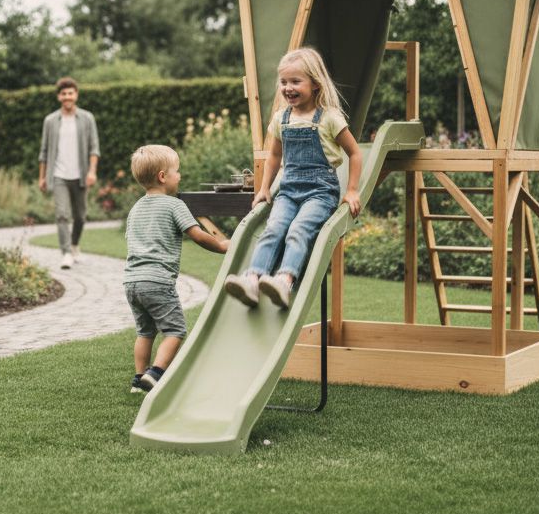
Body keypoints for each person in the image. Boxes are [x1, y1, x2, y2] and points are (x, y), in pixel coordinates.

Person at [225, 47, 362, 310]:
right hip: (288, 191)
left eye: (296, 81)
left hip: (320, 192)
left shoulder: (330, 117)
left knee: (298, 230)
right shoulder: (281, 118)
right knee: (273, 229)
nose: (288, 88)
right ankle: (252, 280)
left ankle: (284, 281)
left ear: (315, 83)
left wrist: (352, 189)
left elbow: (355, 153)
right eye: (284, 82)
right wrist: (264, 188)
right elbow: (274, 156)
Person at [125, 144, 229, 393]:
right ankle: (156, 373)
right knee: (175, 330)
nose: (179, 176)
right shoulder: (174, 205)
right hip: (158, 281)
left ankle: (138, 379)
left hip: (132, 281)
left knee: (145, 332)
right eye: (177, 171)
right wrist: (222, 246)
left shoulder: (135, 208)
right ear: (163, 176)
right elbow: (198, 235)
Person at [38, 77, 100, 269]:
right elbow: (44, 151)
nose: (67, 97)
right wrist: (42, 177)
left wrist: (92, 172)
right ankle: (65, 253)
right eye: (63, 94)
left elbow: (94, 148)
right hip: (58, 176)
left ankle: (74, 245)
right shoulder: (50, 121)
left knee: (80, 216)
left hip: (81, 175)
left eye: (70, 93)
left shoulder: (87, 118)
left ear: (76, 95)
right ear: (59, 97)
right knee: (62, 214)